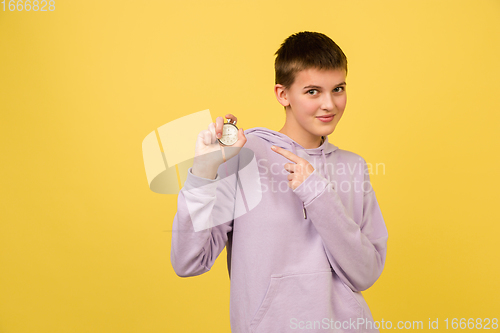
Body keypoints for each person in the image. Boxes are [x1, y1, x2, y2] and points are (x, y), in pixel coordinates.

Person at [170, 31, 388, 333]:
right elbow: (188, 261)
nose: (329, 104)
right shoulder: (244, 157)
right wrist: (204, 172)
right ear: (282, 94)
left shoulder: (354, 167)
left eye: (338, 89)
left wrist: (318, 194)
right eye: (313, 91)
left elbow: (365, 273)